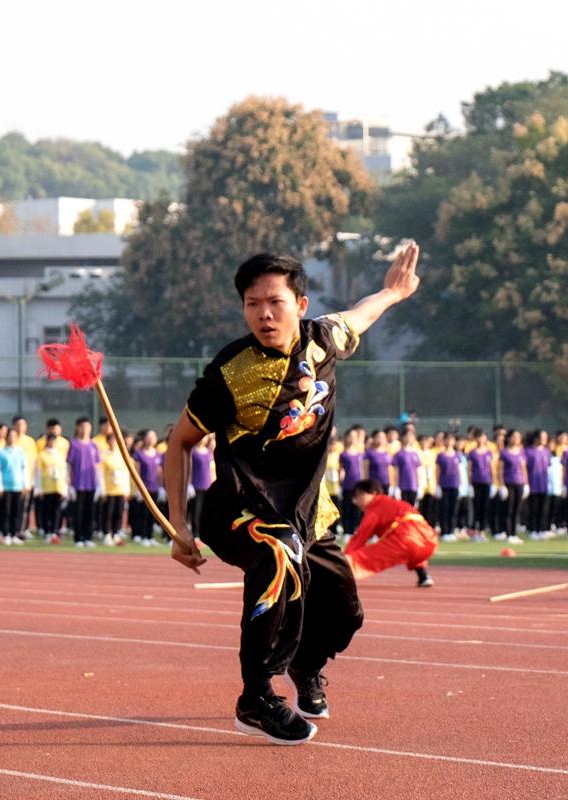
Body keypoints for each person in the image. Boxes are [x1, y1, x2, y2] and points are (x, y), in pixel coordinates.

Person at [162, 245, 420, 745]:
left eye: (275, 301)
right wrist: (179, 524)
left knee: (346, 613)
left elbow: (361, 314)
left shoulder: (324, 339)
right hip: (239, 510)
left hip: (308, 513)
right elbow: (180, 444)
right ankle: (255, 696)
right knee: (279, 553)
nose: (263, 313)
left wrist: (393, 292)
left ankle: (306, 666)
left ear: (300, 306)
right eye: (252, 303)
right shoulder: (229, 374)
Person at [344, 479, 438, 587]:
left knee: (363, 556)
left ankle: (339, 574)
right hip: (430, 540)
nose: (356, 501)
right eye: (355, 497)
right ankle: (423, 576)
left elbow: (360, 537)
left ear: (374, 493)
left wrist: (344, 559)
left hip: (407, 539)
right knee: (412, 547)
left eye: (360, 495)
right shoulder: (394, 502)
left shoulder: (374, 509)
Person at [66, 417, 101, 547]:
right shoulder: (73, 444)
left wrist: (98, 484)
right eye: (82, 427)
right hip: (78, 483)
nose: (85, 429)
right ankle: (78, 538)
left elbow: (97, 466)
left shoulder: (93, 445)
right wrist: (69, 485)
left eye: (87, 427)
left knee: (89, 512)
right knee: (78, 512)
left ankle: (88, 537)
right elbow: (70, 465)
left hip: (91, 483)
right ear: (77, 428)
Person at [0, 427, 29, 545]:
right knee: (5, 512)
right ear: (6, 437)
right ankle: (5, 534)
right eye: (10, 436)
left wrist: (25, 485)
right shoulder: (1, 452)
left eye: (14, 436)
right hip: (6, 486)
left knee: (16, 512)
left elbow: (25, 468)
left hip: (18, 485)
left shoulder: (20, 451)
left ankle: (14, 534)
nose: (12, 438)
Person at [130, 429, 163, 545]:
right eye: (148, 437)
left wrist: (161, 487)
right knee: (143, 512)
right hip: (144, 488)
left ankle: (150, 536)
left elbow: (160, 472)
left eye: (153, 437)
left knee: (153, 513)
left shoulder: (158, 454)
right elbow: (137, 472)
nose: (150, 439)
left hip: (154, 487)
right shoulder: (139, 454)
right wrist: (139, 488)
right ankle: (143, 535)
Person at [35, 431, 69, 540]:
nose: (52, 443)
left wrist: (64, 488)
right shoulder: (42, 454)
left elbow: (64, 471)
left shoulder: (60, 454)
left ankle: (55, 530)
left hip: (57, 486)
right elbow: (38, 472)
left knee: (57, 510)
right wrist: (39, 488)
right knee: (46, 510)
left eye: (54, 440)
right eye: (50, 440)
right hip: (46, 486)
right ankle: (46, 531)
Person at [99, 432, 130, 544]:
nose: (113, 442)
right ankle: (107, 534)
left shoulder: (121, 454)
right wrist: (102, 489)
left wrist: (127, 489)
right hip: (109, 489)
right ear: (107, 441)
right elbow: (101, 473)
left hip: (120, 489)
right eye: (111, 440)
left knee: (119, 512)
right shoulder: (103, 455)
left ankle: (116, 532)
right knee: (108, 512)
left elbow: (125, 472)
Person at [497, 431, 527, 543]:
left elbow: (523, 469)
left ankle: (514, 533)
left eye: (518, 437)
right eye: (514, 437)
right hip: (508, 482)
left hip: (519, 482)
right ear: (509, 438)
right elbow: (500, 470)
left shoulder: (521, 452)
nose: (516, 439)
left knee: (516, 509)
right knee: (508, 509)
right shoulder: (504, 452)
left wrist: (526, 484)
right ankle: (508, 533)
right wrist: (502, 485)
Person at [338, 427, 366, 538]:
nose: (352, 439)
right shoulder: (343, 454)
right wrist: (340, 484)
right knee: (347, 507)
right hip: (347, 484)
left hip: (357, 484)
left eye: (354, 436)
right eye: (350, 436)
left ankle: (355, 529)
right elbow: (341, 469)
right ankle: (346, 531)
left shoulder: (360, 454)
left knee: (357, 509)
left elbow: (362, 469)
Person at [189, 434, 215, 540]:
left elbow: (210, 469)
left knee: (205, 511)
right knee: (196, 511)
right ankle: (195, 534)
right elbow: (189, 468)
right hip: (196, 484)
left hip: (207, 485)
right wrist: (189, 484)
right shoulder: (192, 451)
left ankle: (204, 533)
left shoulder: (208, 452)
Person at [435, 433, 461, 538]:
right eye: (447, 440)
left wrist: (460, 484)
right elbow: (437, 471)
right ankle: (445, 531)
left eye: (451, 440)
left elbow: (458, 471)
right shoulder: (440, 455)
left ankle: (451, 531)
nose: (449, 442)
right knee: (444, 509)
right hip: (444, 485)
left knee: (453, 509)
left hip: (454, 484)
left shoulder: (457, 455)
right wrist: (437, 485)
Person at [467, 430, 492, 540]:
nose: (481, 439)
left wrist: (493, 483)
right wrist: (469, 484)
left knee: (484, 507)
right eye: (479, 437)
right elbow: (469, 469)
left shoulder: (489, 452)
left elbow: (491, 468)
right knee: (476, 507)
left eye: (483, 437)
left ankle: (482, 531)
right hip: (476, 481)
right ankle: (475, 531)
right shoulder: (472, 452)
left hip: (486, 481)